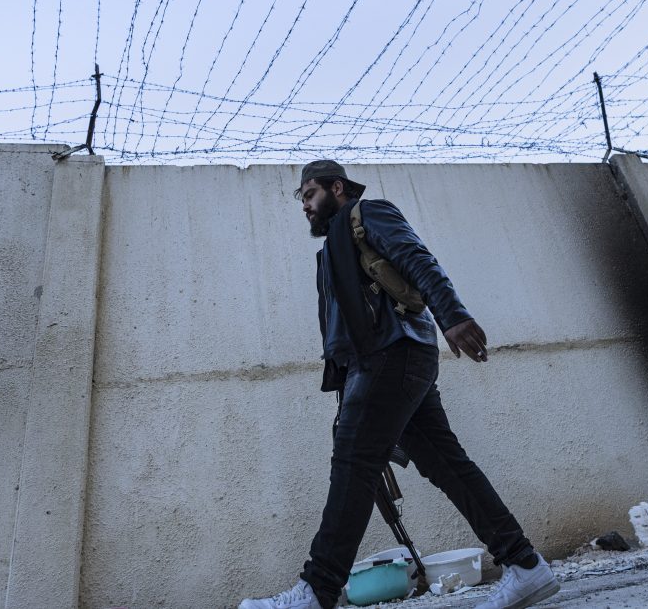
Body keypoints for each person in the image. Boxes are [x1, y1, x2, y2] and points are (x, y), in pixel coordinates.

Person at [239, 160, 559, 609]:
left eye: (309, 194)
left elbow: (417, 258)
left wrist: (453, 314)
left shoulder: (369, 215)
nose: (305, 206)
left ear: (337, 188)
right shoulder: (334, 246)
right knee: (447, 465)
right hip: (390, 358)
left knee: (353, 464)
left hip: (392, 354)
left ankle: (316, 591)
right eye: (301, 199)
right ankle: (526, 566)